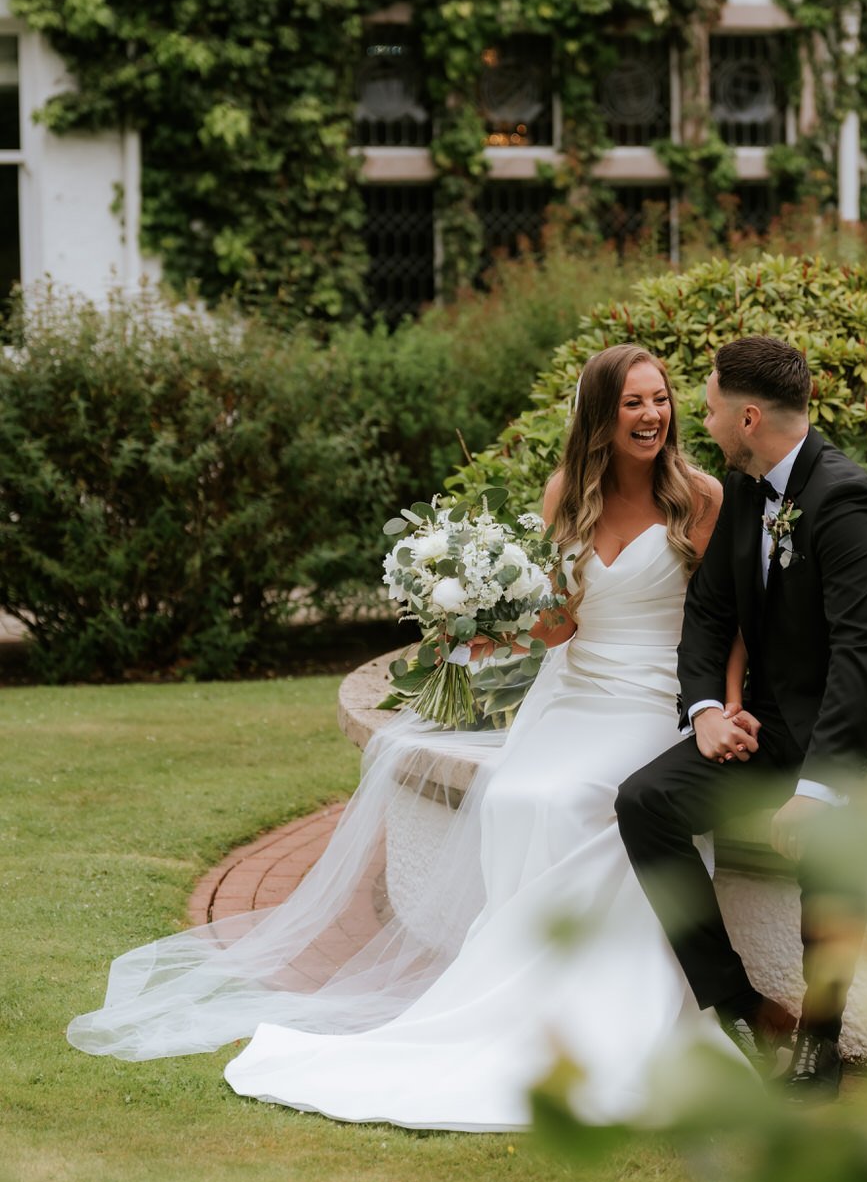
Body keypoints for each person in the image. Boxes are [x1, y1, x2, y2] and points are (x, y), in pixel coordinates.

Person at [68, 344, 748, 1130]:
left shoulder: (699, 498)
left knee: (568, 800)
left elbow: (725, 622)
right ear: (600, 414)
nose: (652, 415)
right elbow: (559, 628)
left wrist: (717, 709)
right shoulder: (568, 492)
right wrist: (488, 614)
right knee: (516, 795)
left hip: (654, 697)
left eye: (660, 399)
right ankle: (527, 1007)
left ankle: (608, 1013)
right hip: (579, 692)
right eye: (632, 402)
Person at [617, 334, 867, 1101]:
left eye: (711, 407)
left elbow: (862, 658)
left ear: (748, 415)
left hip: (857, 734)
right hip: (769, 724)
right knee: (644, 802)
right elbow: (709, 612)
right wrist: (704, 713)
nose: (705, 419)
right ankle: (743, 1007)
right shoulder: (748, 489)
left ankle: (818, 1050)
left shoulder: (845, 500)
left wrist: (817, 788)